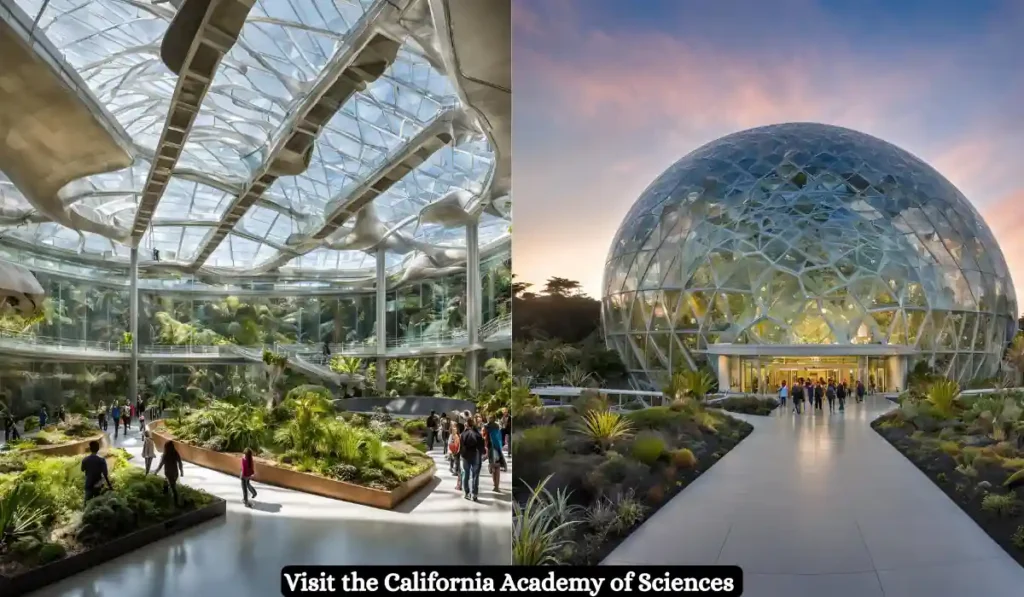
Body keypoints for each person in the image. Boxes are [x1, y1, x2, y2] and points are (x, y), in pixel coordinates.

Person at [460, 418, 485, 501]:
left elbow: (461, 446)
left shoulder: (463, 434)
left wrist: (462, 454)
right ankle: (474, 494)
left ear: (467, 424)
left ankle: (467, 493)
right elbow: (482, 445)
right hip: (476, 455)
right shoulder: (477, 434)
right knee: (475, 475)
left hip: (466, 456)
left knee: (466, 474)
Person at [155, 441, 185, 507]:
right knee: (166, 483)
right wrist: (181, 471)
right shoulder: (175, 453)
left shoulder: (166, 454)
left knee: (172, 487)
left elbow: (161, 464)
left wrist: (156, 471)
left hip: (169, 473)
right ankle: (166, 497)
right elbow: (180, 462)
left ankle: (175, 503)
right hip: (174, 472)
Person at [485, 414, 506, 491]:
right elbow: (499, 438)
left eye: (490, 418)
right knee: (496, 467)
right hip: (496, 448)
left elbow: (486, 438)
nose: (489, 419)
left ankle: (496, 485)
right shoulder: (496, 426)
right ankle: (496, 485)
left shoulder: (487, 427)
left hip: (492, 449)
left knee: (495, 467)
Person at [450, 422, 464, 489]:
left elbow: (456, 446)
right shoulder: (459, 435)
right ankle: (459, 484)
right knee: (460, 470)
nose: (454, 428)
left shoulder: (458, 436)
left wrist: (454, 453)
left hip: (459, 455)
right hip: (460, 455)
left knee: (459, 470)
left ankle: (459, 485)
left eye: (456, 427)